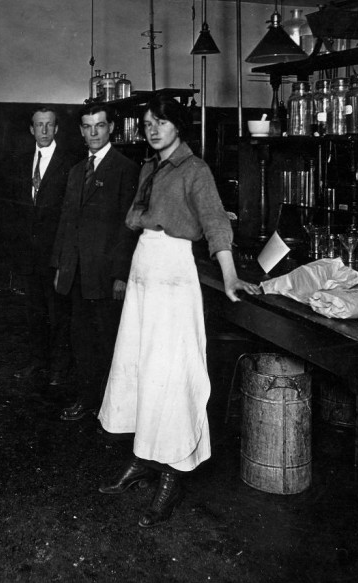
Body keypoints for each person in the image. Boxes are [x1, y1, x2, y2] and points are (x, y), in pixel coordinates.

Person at [97, 95, 261, 528]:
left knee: (170, 374)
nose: (153, 129)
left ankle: (172, 473)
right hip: (144, 270)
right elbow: (136, 220)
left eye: (161, 123)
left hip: (173, 273)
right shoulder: (149, 168)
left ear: (179, 127)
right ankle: (143, 458)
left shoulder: (195, 170)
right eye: (148, 123)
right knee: (140, 366)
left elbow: (215, 225)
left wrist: (228, 277)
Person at [51, 104, 139, 421]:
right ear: (80, 131)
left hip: (105, 276)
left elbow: (128, 229)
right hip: (76, 272)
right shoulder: (77, 171)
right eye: (87, 127)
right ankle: (88, 400)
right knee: (81, 340)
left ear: (111, 128)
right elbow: (66, 221)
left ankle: (111, 407)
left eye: (99, 126)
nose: (93, 133)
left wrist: (120, 275)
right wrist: (61, 264)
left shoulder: (125, 169)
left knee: (106, 342)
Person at [14, 107, 81, 384]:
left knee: (59, 315)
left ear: (56, 129)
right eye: (39, 125)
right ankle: (38, 362)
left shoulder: (70, 162)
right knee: (34, 313)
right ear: (31, 129)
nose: (43, 130)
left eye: (49, 125)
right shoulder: (21, 160)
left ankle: (58, 369)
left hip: (56, 254)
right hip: (30, 255)